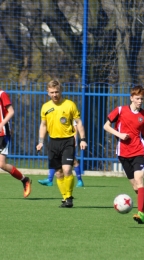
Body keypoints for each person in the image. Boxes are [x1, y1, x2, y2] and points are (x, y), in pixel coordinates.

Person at [104, 85, 144, 224]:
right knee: (135, 187)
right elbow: (106, 126)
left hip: (139, 151)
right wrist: (119, 134)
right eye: (137, 98)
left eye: (142, 99)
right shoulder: (120, 110)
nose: (140, 101)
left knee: (139, 181)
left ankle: (140, 214)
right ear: (131, 98)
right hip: (123, 153)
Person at [36, 80, 87, 208]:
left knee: (67, 169)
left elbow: (79, 123)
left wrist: (83, 139)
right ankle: (64, 198)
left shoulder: (70, 105)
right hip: (53, 142)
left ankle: (69, 197)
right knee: (58, 173)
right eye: (52, 92)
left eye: (57, 92)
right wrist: (41, 142)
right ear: (48, 93)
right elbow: (43, 125)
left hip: (68, 141)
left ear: (61, 91)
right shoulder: (45, 107)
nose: (55, 95)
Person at [0, 90, 31, 198]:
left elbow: (11, 111)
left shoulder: (1, 94)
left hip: (2, 134)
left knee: (2, 164)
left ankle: (25, 180)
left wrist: (2, 124)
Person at [38, 122, 84, 187]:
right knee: (55, 160)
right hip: (58, 142)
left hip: (68, 142)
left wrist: (74, 139)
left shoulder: (68, 112)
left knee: (74, 161)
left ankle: (80, 180)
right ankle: (49, 180)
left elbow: (75, 127)